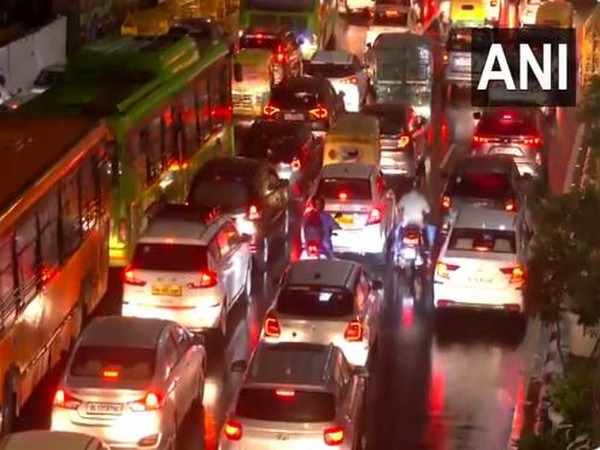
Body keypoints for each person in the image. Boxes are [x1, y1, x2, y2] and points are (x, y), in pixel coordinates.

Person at [396, 179, 434, 259]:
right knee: (425, 232)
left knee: (399, 232)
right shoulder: (421, 198)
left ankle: (397, 248)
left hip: (406, 223)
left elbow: (399, 207)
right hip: (418, 223)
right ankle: (427, 249)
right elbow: (428, 210)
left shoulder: (405, 197)